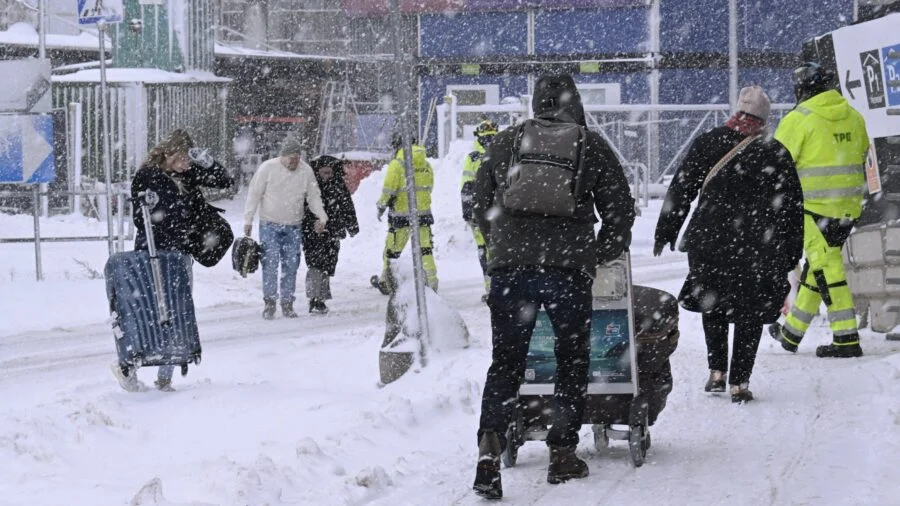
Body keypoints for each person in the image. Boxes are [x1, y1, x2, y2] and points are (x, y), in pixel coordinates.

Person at [471, 73, 635, 499]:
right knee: (571, 359)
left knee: (506, 362)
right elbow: (619, 209)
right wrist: (594, 254)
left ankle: (489, 449)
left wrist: (501, 245)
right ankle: (562, 452)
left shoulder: (507, 141)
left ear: (536, 102)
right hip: (567, 270)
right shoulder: (589, 143)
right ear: (573, 103)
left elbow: (476, 201)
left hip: (511, 270)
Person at [654, 86, 804, 403]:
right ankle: (740, 382)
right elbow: (791, 208)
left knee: (714, 304)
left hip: (709, 242)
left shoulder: (709, 142)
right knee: (749, 312)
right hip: (757, 248)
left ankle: (717, 372)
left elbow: (683, 186)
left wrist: (667, 228)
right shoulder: (775, 152)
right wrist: (792, 251)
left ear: (736, 111)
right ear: (765, 118)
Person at [114, 129, 233, 392]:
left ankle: (165, 376)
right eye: (182, 159)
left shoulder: (187, 173)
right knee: (151, 309)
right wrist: (172, 226)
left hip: (180, 253)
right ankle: (128, 365)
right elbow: (141, 217)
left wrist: (207, 162)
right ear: (168, 154)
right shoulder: (148, 176)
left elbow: (223, 180)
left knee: (177, 308)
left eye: (189, 160)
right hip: (153, 253)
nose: (186, 165)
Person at [769, 62, 870, 358]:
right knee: (819, 267)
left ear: (801, 88)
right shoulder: (853, 115)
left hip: (811, 209)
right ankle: (792, 334)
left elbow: (776, 166)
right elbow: (863, 153)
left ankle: (846, 339)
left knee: (827, 270)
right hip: (849, 207)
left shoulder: (798, 119)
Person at [244, 136, 327, 320]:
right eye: (290, 157)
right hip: (269, 224)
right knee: (270, 263)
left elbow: (313, 196)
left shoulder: (306, 171)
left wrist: (322, 216)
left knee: (291, 265)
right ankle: (270, 302)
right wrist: (248, 219)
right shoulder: (268, 168)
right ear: (281, 156)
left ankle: (288, 303)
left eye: (297, 157)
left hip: (293, 226)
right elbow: (254, 193)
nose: (293, 161)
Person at [371, 134, 437, 294]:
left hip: (401, 217)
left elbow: (389, 189)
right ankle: (431, 283)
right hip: (422, 215)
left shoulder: (397, 164)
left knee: (392, 251)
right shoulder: (426, 165)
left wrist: (381, 206)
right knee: (425, 251)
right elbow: (429, 187)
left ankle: (387, 282)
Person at [303, 155, 359, 314]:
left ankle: (320, 298)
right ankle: (315, 299)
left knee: (327, 265)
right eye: (324, 173)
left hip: (332, 232)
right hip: (312, 232)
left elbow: (347, 206)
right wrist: (310, 224)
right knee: (315, 264)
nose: (327, 176)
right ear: (317, 171)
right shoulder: (310, 186)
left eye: (330, 172)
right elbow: (303, 206)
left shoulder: (338, 185)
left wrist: (352, 226)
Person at [461, 119, 498, 301]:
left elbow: (466, 187)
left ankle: (491, 288)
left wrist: (468, 212)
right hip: (499, 213)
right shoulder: (503, 154)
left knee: (484, 251)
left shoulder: (473, 158)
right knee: (498, 250)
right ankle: (499, 288)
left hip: (479, 212)